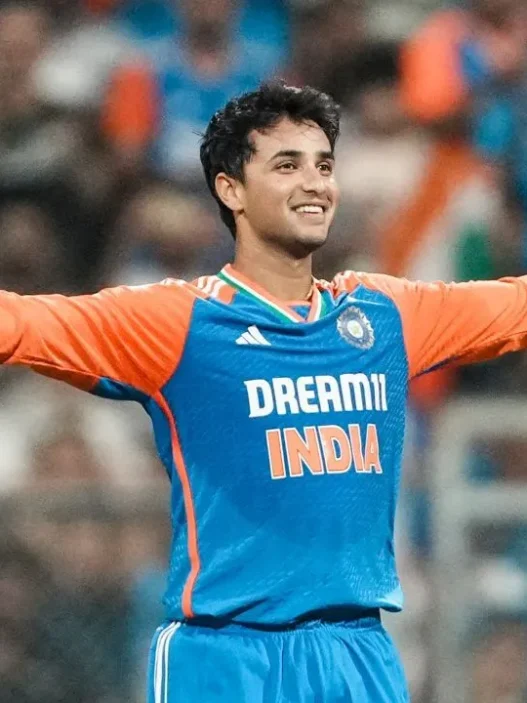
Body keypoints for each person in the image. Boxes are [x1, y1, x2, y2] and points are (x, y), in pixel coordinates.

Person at [3, 81, 527, 702]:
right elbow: (22, 324)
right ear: (231, 189)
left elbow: (515, 306)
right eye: (287, 165)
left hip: (357, 653)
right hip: (227, 655)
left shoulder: (385, 315)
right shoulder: (179, 323)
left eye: (324, 165)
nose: (315, 183)